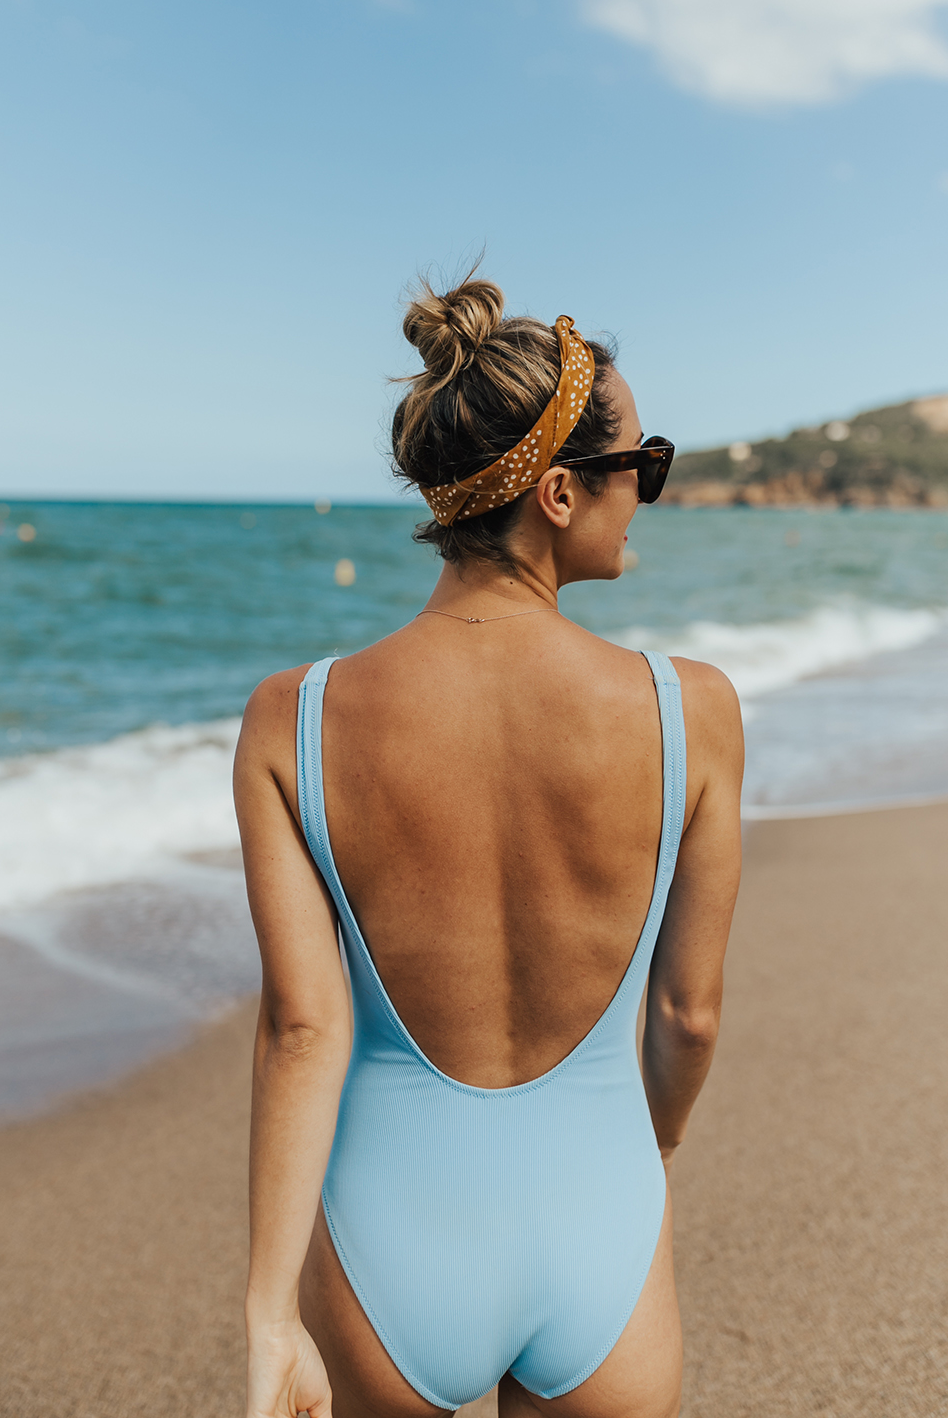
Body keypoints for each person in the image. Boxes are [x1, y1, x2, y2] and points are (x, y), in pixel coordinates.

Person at [234, 275, 743, 1418]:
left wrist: (270, 1317)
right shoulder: (689, 710)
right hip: (596, 1219)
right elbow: (688, 1017)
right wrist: (633, 1163)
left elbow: (302, 1028)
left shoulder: (294, 719)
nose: (646, 496)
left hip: (387, 1244)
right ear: (559, 493)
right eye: (640, 468)